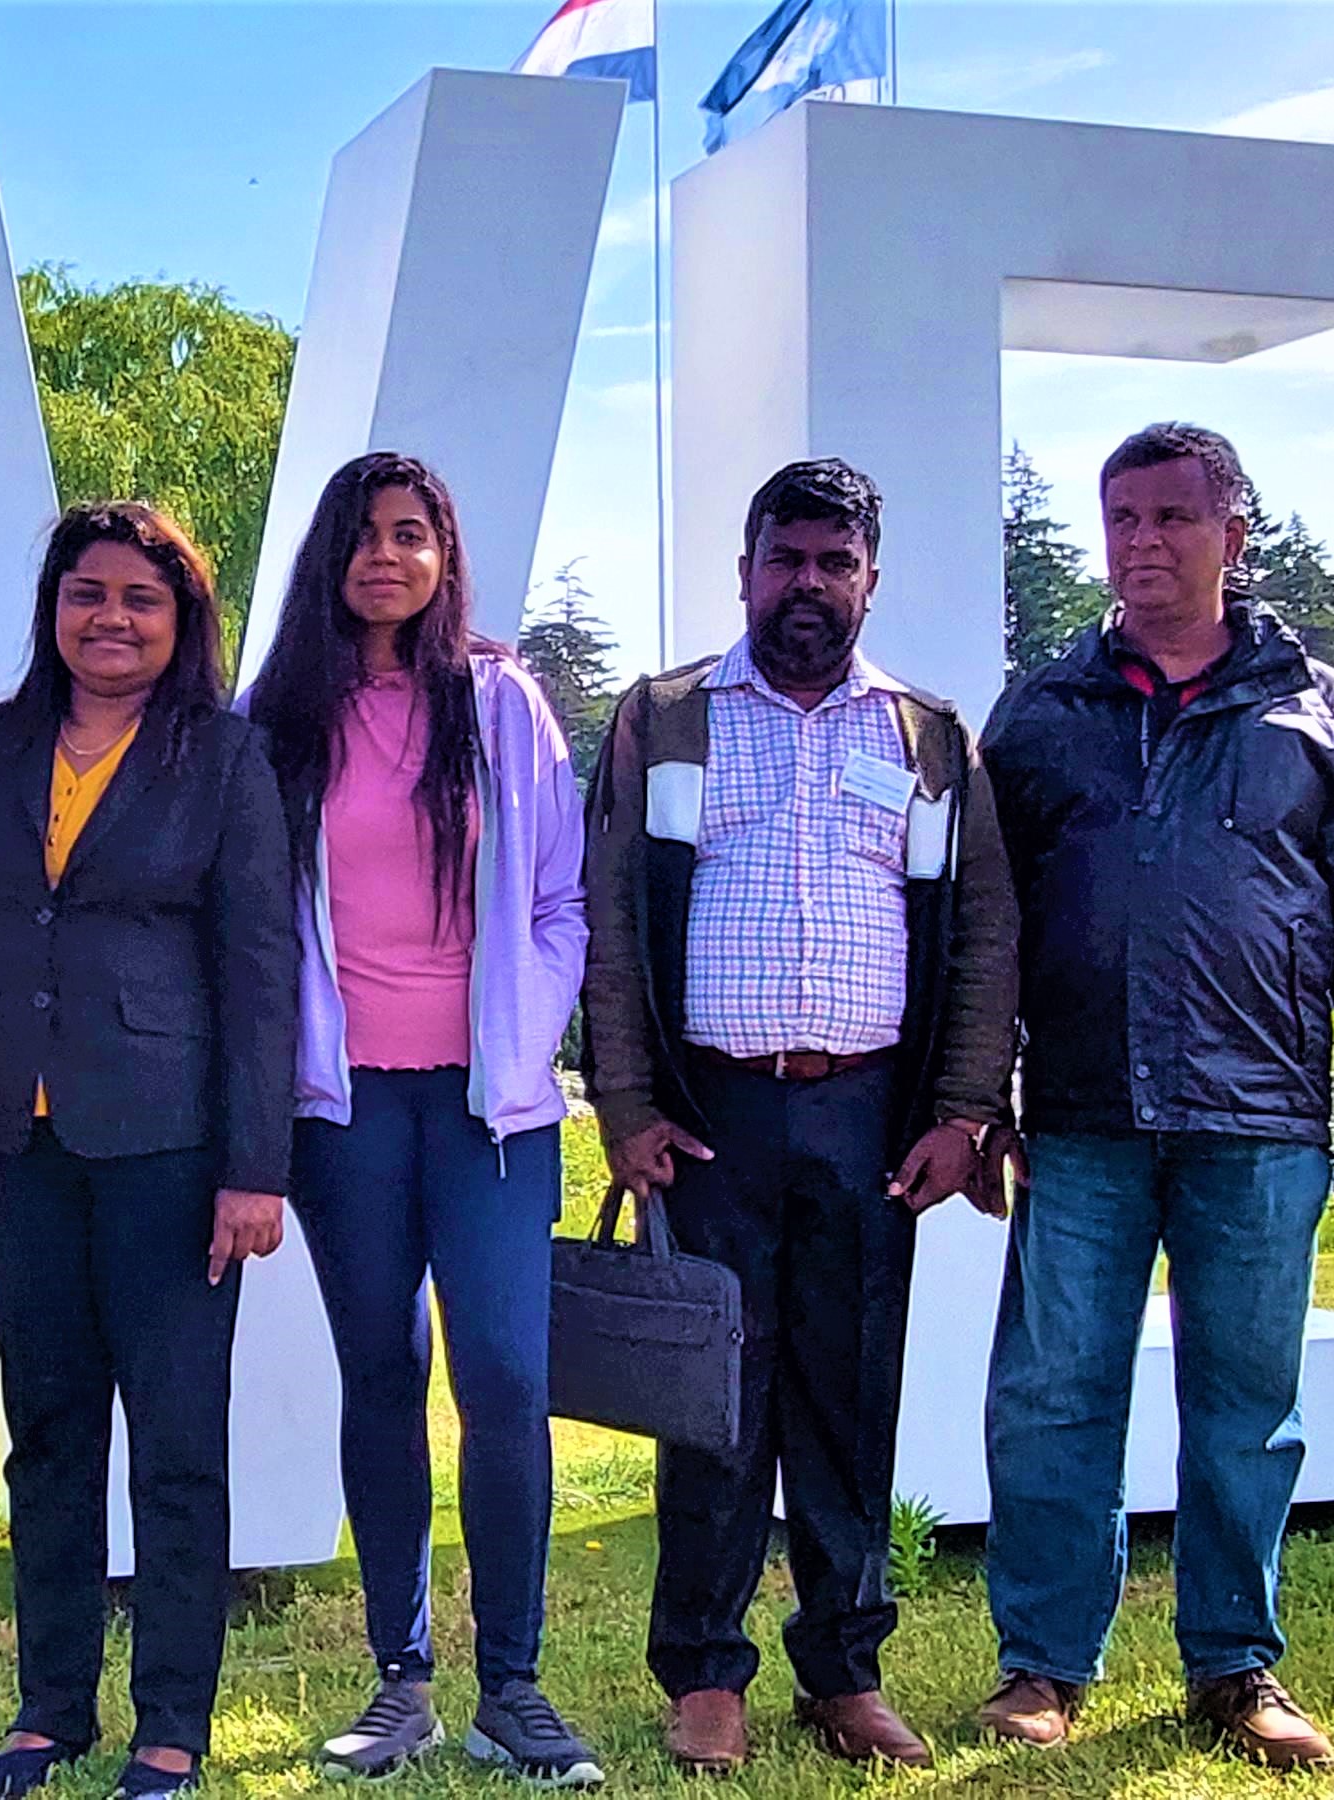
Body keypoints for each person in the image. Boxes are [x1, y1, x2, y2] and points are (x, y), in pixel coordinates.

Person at [970, 423, 1334, 1770]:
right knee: (1056, 1390)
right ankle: (1043, 1667)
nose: (1144, 544)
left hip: (1262, 1119)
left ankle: (1236, 1666)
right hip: (1079, 1112)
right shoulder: (1045, 712)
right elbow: (987, 925)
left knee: (1248, 1401)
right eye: (1121, 517)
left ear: (1238, 531)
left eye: (1175, 517)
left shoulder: (1328, 711)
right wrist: (978, 1091)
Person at [578, 459, 1020, 1775]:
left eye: (837, 564)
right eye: (789, 559)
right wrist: (628, 1103)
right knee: (711, 1396)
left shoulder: (929, 737)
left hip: (872, 1120)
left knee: (847, 1392)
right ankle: (706, 1675)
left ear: (871, 578)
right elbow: (606, 919)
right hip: (709, 1112)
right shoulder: (664, 718)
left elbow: (984, 931)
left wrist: (959, 1108)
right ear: (746, 569)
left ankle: (843, 1669)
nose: (810, 586)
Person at [0, 502, 297, 1800]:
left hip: (172, 1153)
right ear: (51, 608)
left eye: (141, 599)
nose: (110, 618)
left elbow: (260, 967)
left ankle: (170, 1726)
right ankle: (48, 1713)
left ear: (183, 622)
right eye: (86, 593)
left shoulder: (224, 759)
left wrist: (255, 1166)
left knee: (177, 1443)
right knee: (47, 1438)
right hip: (23, 1152)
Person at [233, 454, 597, 1786]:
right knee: (380, 1374)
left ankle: (515, 1683)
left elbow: (561, 897)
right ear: (329, 555)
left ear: (445, 555)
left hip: (489, 1110)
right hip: (343, 1112)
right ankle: (402, 1682)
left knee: (504, 1374)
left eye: (412, 535)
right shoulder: (274, 715)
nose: (385, 558)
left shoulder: (502, 705)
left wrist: (526, 1020)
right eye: (365, 536)